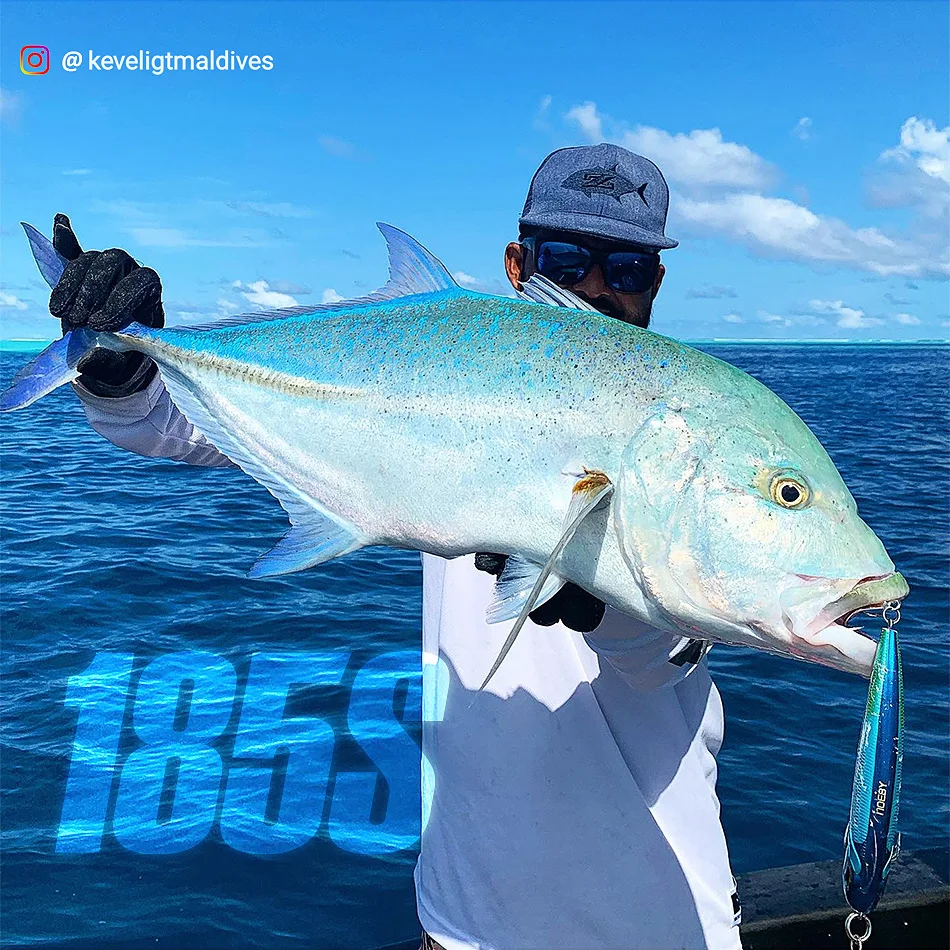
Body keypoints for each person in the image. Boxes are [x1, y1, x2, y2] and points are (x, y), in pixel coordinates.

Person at [47, 143, 742, 950]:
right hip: (460, 924)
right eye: (565, 260)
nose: (593, 288)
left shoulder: (689, 433)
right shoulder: (437, 384)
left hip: (658, 929)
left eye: (625, 268)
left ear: (655, 283)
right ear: (518, 265)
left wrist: (608, 600)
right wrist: (124, 372)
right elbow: (186, 428)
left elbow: (669, 657)